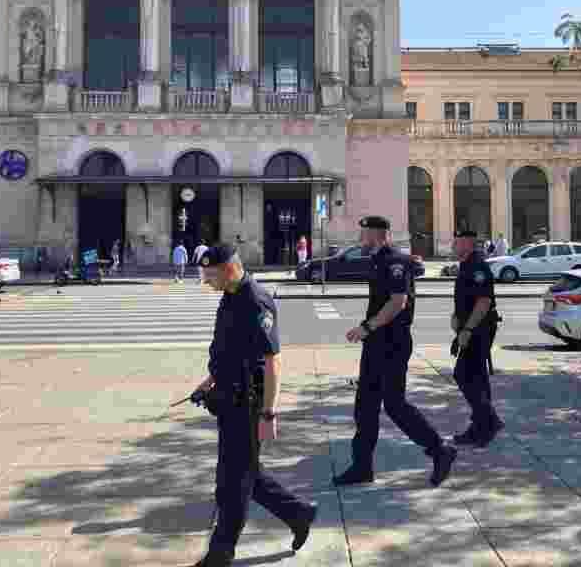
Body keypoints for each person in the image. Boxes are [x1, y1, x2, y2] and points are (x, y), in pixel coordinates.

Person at [189, 244, 318, 567]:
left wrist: (269, 412)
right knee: (246, 474)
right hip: (228, 400)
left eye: (210, 275)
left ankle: (220, 554)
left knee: (232, 484)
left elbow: (273, 362)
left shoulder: (255, 301)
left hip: (249, 404)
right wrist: (208, 382)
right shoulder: (230, 296)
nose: (206, 281)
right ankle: (298, 513)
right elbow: (230, 351)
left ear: (230, 269)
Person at [335, 216, 457, 487]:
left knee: (394, 405)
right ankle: (361, 466)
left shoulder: (395, 262)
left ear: (377, 235)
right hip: (376, 342)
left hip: (392, 343)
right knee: (365, 406)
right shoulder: (379, 259)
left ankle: (440, 450)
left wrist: (367, 327)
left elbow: (398, 302)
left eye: (363, 233)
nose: (359, 239)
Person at [450, 229, 504, 447]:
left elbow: (484, 302)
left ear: (468, 245)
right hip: (471, 328)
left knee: (463, 375)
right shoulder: (467, 264)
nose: (453, 246)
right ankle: (478, 428)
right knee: (478, 380)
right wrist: (457, 318)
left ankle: (490, 421)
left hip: (479, 329)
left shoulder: (478, 266)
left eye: (457, 243)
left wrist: (467, 330)